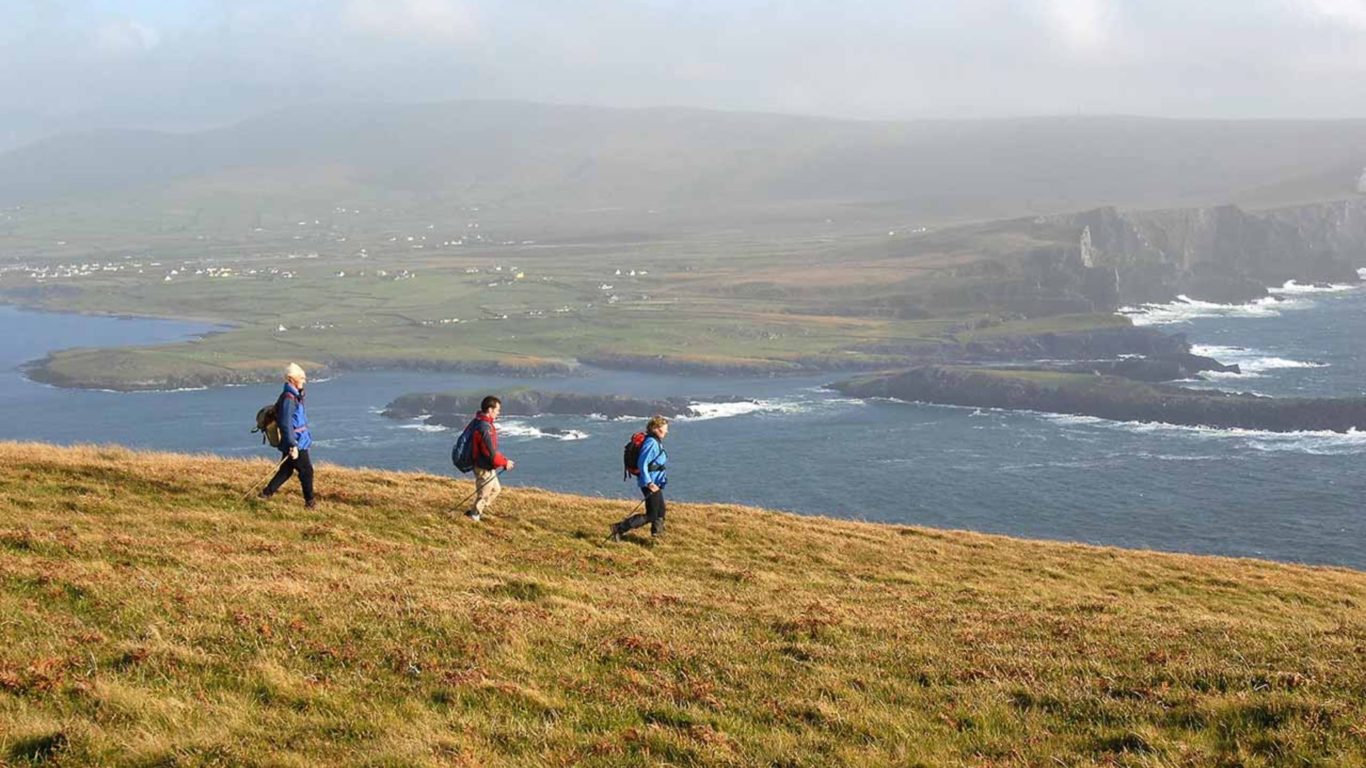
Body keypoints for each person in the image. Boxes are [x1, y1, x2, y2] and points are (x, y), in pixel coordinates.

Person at [260, 362, 316, 507]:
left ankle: (266, 494)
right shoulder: (289, 399)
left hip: (295, 440)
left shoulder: (293, 396)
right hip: (295, 441)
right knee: (306, 471)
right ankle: (310, 503)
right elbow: (285, 423)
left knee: (286, 469)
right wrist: (293, 445)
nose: (304, 380)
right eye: (301, 378)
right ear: (292, 379)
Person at [611, 415, 669, 540]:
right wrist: (649, 483)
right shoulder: (651, 442)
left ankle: (657, 535)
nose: (666, 431)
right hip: (649, 483)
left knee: (661, 510)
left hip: (654, 482)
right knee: (651, 515)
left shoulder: (654, 440)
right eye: (664, 428)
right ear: (656, 428)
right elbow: (642, 463)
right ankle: (619, 528)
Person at [464, 395, 515, 522]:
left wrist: (502, 460)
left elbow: (490, 452)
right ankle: (474, 516)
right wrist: (505, 462)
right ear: (490, 410)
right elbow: (490, 453)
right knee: (484, 494)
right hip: (483, 467)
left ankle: (476, 510)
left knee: (496, 490)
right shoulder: (485, 428)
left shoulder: (481, 422)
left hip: (487, 465)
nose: (499, 412)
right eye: (497, 410)